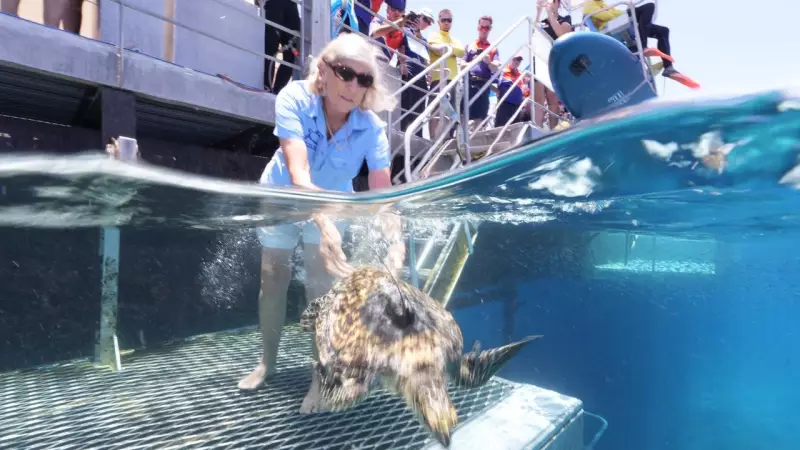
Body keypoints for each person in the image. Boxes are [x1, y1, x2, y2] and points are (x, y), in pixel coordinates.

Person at [238, 33, 406, 394]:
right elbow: (299, 177)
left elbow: (382, 193)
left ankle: (321, 369)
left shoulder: (372, 128)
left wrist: (396, 243)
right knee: (273, 279)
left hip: (332, 203)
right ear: (324, 70)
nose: (352, 85)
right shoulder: (294, 98)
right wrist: (324, 222)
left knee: (319, 286)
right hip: (283, 196)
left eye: (363, 79)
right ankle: (267, 362)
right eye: (345, 72)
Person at [582, 0, 683, 80]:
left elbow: (614, 13)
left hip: (623, 21)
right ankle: (643, 46)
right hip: (611, 26)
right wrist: (624, 14)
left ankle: (668, 68)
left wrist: (626, 12)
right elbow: (605, 16)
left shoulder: (603, 3)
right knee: (648, 7)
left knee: (664, 31)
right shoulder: (589, 4)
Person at [426, 8, 465, 139]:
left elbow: (461, 52)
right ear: (438, 21)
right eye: (444, 20)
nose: (447, 23)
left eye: (449, 20)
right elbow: (438, 50)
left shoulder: (454, 39)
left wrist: (449, 49)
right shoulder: (434, 35)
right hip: (438, 78)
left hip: (453, 80)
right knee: (435, 110)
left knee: (451, 111)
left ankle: (447, 138)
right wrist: (451, 49)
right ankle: (433, 139)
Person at [462, 15, 501, 127]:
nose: (484, 30)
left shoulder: (493, 48)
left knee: (480, 118)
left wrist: (488, 61)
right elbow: (461, 66)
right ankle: (465, 141)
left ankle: (474, 140)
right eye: (482, 27)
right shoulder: (470, 46)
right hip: (469, 84)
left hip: (484, 85)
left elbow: (496, 67)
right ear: (478, 27)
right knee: (466, 116)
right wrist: (473, 62)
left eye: (487, 28)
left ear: (490, 29)